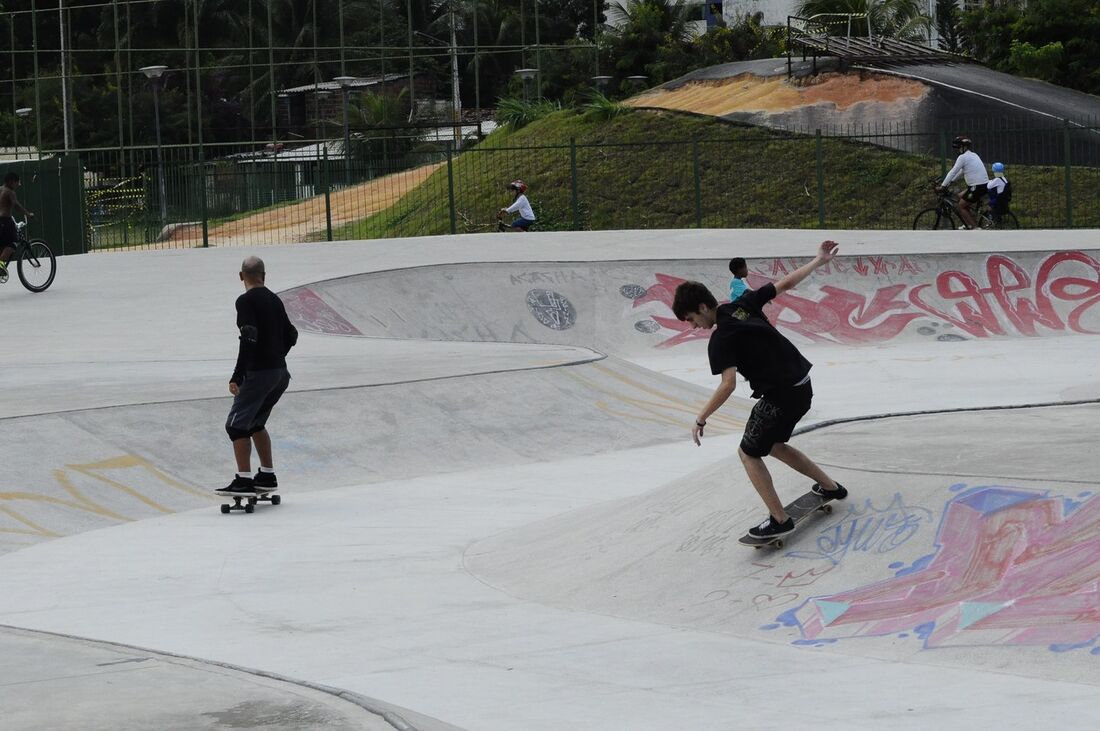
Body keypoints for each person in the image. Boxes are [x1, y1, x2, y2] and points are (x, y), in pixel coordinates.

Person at [673, 240, 847, 539]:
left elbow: (727, 385)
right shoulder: (741, 305)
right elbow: (784, 284)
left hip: (781, 395)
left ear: (702, 307)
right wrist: (818, 260)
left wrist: (701, 418)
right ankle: (830, 486)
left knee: (748, 453)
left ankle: (780, 520)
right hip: (803, 385)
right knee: (774, 444)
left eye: (691, 319)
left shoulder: (720, 339)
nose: (693, 326)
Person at [216, 256, 298, 497]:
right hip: (280, 374)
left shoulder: (245, 301)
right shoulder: (275, 299)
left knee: (236, 425)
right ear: (265, 275)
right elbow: (291, 334)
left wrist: (237, 375)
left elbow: (249, 336)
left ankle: (244, 480)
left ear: (241, 276)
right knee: (255, 423)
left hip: (259, 373)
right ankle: (267, 475)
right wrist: (276, 357)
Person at [938, 136, 989, 230]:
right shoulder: (973, 155)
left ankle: (975, 228)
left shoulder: (963, 157)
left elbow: (953, 171)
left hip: (976, 187)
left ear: (963, 147)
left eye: (958, 148)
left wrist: (943, 186)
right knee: (959, 196)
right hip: (981, 185)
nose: (957, 150)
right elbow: (961, 172)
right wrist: (951, 181)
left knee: (960, 205)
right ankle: (968, 224)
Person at [0, 172, 34, 284]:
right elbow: (16, 205)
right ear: (11, 181)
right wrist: (28, 214)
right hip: (5, 221)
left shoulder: (1, 189)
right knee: (13, 242)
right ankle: (0, 264)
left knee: (3, 245)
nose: (18, 185)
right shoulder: (10, 192)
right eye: (17, 182)